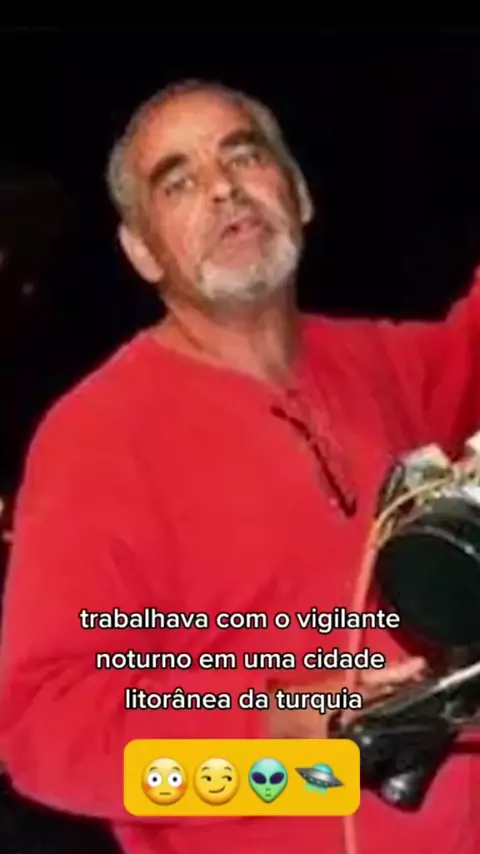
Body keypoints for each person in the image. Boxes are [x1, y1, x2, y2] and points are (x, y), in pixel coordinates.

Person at [0, 80, 479, 854]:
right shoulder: (94, 437)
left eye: (244, 155)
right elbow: (41, 729)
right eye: (177, 182)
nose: (223, 187)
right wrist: (280, 751)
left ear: (299, 195)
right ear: (142, 251)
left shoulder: (385, 362)